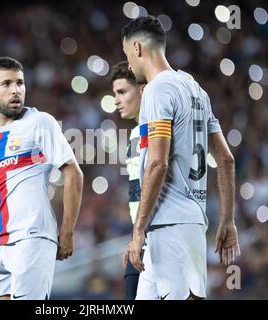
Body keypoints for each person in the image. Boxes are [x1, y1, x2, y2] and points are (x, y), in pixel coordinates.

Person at [121, 16, 241, 300]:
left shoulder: (157, 90)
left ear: (137, 48)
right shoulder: (196, 90)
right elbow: (225, 159)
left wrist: (138, 229)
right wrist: (227, 220)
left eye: (127, 55)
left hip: (171, 224)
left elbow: (157, 162)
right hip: (184, 222)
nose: (128, 64)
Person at [0, 57, 84, 300]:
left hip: (32, 236)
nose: (15, 90)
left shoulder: (40, 123)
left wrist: (67, 231)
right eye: (6, 84)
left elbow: (73, 173)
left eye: (20, 83)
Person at [110, 61, 145, 300]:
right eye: (114, 94)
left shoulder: (158, 129)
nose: (116, 100)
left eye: (122, 92)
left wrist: (140, 234)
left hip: (160, 235)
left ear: (141, 90)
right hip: (142, 239)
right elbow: (139, 193)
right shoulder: (133, 135)